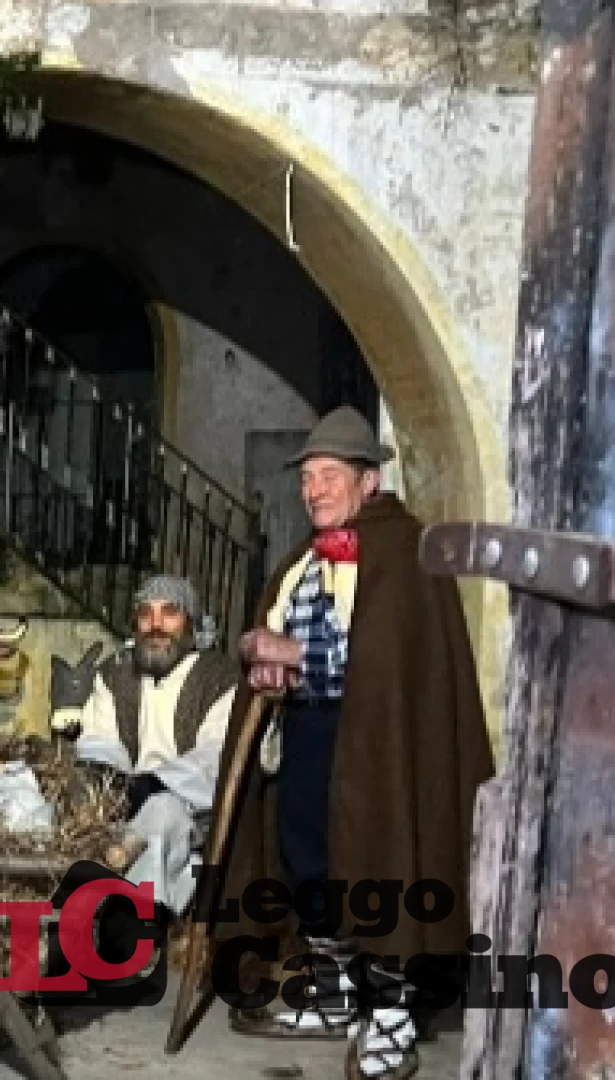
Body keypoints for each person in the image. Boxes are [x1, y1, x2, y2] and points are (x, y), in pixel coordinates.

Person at [212, 406, 494, 1079]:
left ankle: (391, 1014)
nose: (313, 490)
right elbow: (273, 634)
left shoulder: (402, 552)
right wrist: (260, 653)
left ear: (369, 481)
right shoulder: (304, 556)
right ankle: (336, 992)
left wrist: (292, 653)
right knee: (308, 857)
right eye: (307, 478)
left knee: (379, 865)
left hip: (378, 741)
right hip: (309, 730)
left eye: (329, 476)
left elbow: (383, 658)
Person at [63, 573, 237, 922]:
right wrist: (110, 782)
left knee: (162, 814)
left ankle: (139, 919)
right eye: (146, 614)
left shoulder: (219, 678)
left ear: (190, 622)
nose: (155, 626)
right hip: (125, 798)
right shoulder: (116, 673)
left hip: (191, 804)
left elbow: (217, 754)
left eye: (169, 613)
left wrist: (158, 783)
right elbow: (100, 738)